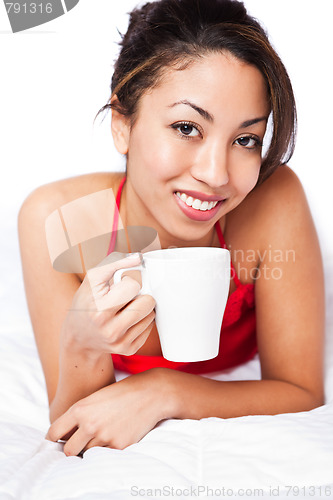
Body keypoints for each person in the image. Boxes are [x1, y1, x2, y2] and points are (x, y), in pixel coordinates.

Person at [18, 0, 325, 456]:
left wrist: (167, 391)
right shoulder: (56, 222)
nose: (216, 174)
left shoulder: (273, 200)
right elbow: (76, 423)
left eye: (245, 139)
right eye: (187, 127)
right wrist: (82, 343)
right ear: (123, 124)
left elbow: (301, 390)